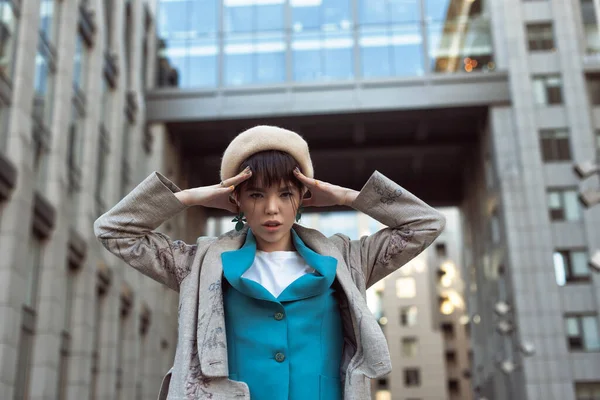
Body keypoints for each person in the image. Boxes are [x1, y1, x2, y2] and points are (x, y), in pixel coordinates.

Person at [94, 125, 446, 400]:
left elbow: (424, 224)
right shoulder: (200, 264)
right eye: (257, 194)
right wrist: (191, 197)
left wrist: (345, 196)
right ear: (237, 200)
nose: (272, 208)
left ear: (303, 197)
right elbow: (114, 231)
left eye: (286, 193)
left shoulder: (347, 260)